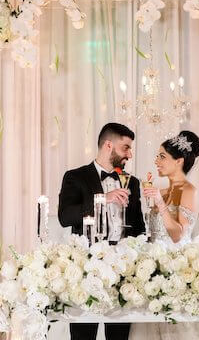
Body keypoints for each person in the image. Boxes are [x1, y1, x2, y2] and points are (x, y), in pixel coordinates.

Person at [130, 131, 199, 340]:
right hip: (153, 270)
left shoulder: (189, 190)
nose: (156, 161)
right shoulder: (162, 191)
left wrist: (159, 203)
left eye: (162, 156)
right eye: (157, 156)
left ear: (179, 161)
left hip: (177, 269)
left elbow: (177, 234)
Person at [58, 122, 145, 340]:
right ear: (108, 145)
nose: (130, 154)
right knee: (83, 335)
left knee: (119, 336)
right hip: (87, 269)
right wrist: (102, 199)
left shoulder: (132, 182)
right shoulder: (75, 177)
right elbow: (65, 216)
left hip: (123, 271)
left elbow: (138, 227)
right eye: (126, 147)